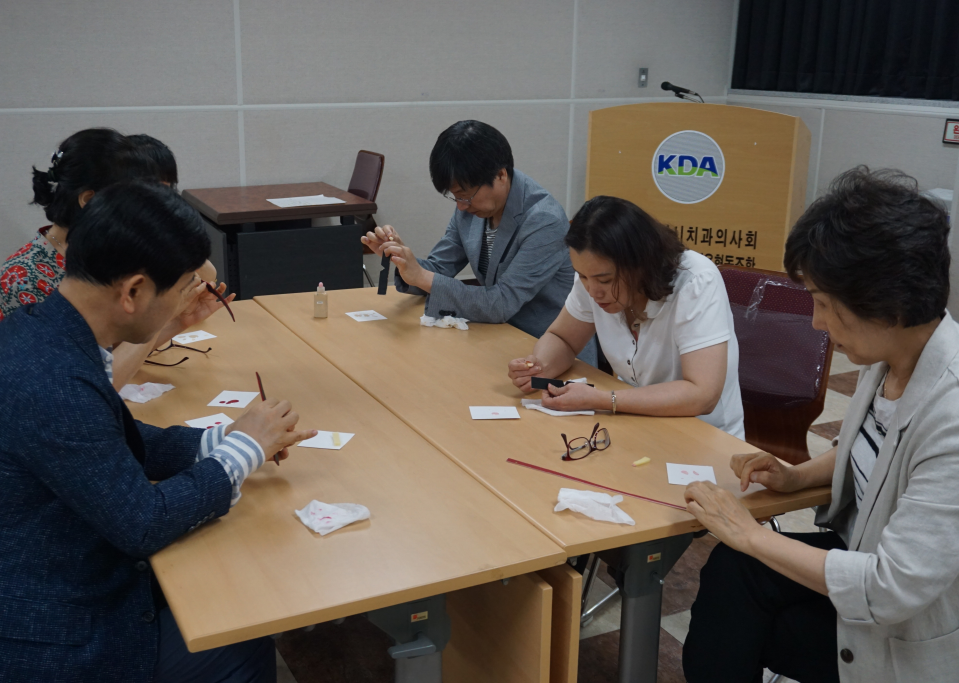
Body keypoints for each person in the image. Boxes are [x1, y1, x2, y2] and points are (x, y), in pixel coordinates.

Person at [0, 181, 316, 683]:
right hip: (30, 637)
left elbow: (104, 439)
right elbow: (142, 524)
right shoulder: (51, 381)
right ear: (134, 291)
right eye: (182, 289)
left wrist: (219, 441)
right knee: (238, 640)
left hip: (13, 580)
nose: (185, 303)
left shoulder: (35, 327)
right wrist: (243, 450)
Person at [681, 168, 959, 683]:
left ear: (889, 303)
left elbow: (890, 589)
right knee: (733, 574)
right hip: (864, 566)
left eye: (826, 304)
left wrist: (749, 533)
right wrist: (796, 477)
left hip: (907, 628)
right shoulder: (891, 356)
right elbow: (879, 456)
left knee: (746, 584)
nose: (816, 323)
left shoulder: (952, 411)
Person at [0, 128, 223, 389]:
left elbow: (111, 353)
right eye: (134, 197)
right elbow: (80, 389)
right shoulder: (24, 279)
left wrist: (176, 321)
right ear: (90, 200)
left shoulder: (106, 249)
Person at [507, 195, 744, 438]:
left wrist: (602, 399)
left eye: (605, 280)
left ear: (640, 262)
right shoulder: (591, 277)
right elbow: (563, 338)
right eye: (583, 276)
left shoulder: (696, 281)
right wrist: (539, 367)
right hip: (632, 424)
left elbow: (702, 395)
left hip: (704, 437)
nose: (593, 291)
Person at [361, 120, 595, 363]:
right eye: (456, 197)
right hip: (496, 338)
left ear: (501, 175)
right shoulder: (471, 207)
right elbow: (439, 270)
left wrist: (421, 275)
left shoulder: (544, 220)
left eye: (466, 195)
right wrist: (402, 259)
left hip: (549, 353)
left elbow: (501, 303)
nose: (461, 206)